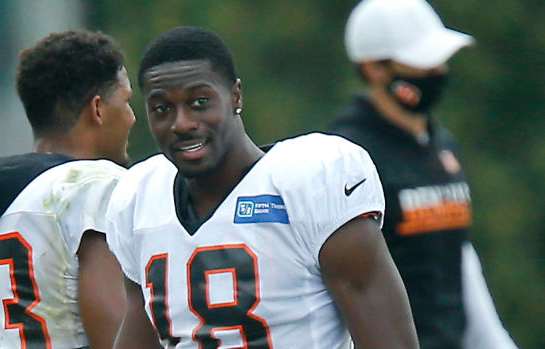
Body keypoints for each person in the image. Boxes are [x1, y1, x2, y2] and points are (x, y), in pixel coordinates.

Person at [106, 26, 419, 349]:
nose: (181, 123)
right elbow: (139, 327)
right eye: (162, 109)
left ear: (235, 96)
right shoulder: (138, 199)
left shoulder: (307, 181)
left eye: (199, 102)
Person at [329, 1, 518, 348]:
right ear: (373, 68)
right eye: (422, 61)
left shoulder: (442, 145)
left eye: (439, 59)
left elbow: (459, 258)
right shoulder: (348, 157)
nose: (438, 70)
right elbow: (342, 282)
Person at [0, 30, 137, 349]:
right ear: (98, 109)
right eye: (127, 101)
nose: (132, 117)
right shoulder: (93, 185)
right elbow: (114, 336)